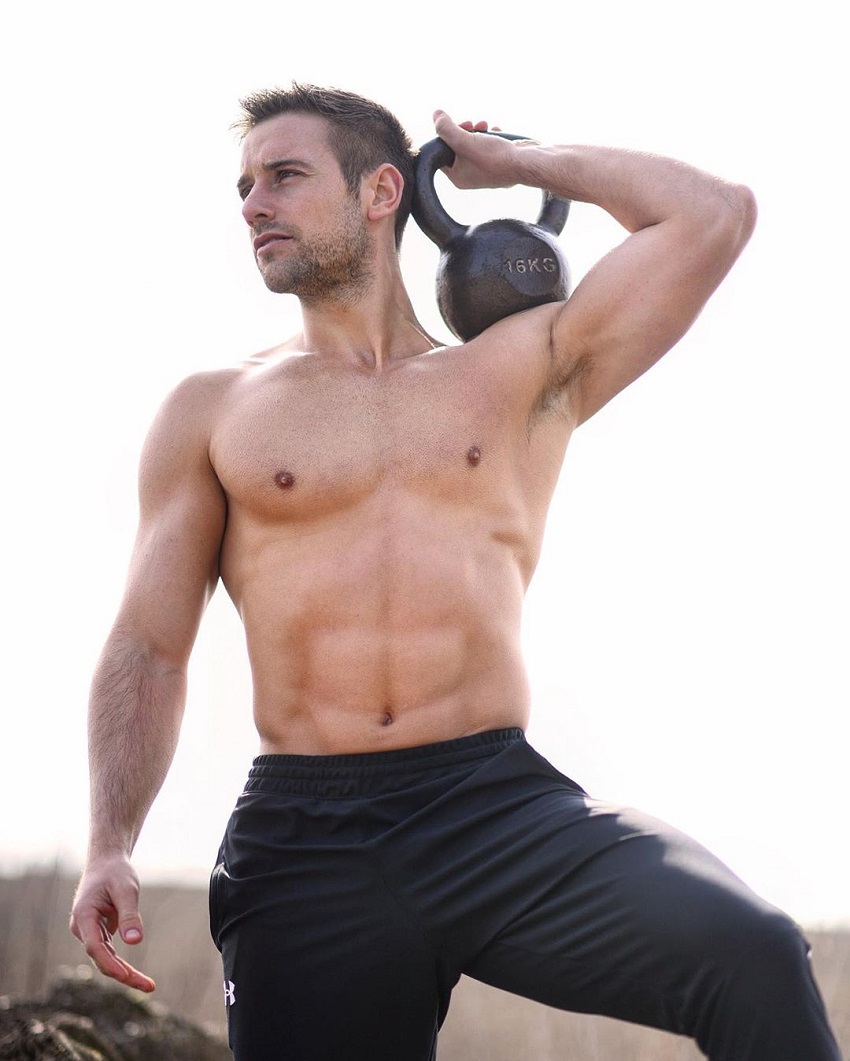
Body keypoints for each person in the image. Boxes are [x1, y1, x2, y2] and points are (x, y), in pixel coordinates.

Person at [70, 83, 842, 1061]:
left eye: (285, 175)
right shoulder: (215, 409)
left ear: (383, 190)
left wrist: (520, 163)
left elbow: (712, 214)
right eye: (243, 185)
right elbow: (149, 643)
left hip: (496, 810)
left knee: (753, 952)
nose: (252, 203)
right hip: (308, 840)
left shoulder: (515, 369)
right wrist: (109, 840)